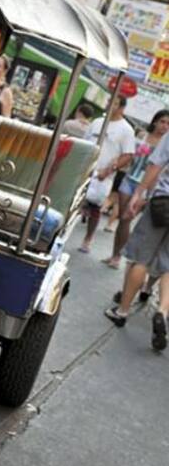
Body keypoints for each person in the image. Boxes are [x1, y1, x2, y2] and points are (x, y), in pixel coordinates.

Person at [105, 131, 169, 352]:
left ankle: (122, 312)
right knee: (168, 263)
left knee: (140, 259)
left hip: (164, 201)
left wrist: (138, 193)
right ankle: (162, 311)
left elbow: (155, 165)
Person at [102, 110, 169, 268]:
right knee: (123, 219)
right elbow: (129, 155)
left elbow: (158, 168)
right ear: (155, 122)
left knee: (127, 218)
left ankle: (123, 257)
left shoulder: (166, 142)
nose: (164, 126)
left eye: (168, 123)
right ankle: (115, 254)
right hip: (130, 179)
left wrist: (146, 192)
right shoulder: (142, 137)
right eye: (162, 122)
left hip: (150, 186)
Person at [79, 96, 136, 253]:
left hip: (103, 174)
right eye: (109, 102)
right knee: (75, 201)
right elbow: (84, 143)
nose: (110, 105)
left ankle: (88, 238)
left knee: (95, 207)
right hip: (85, 169)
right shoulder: (97, 122)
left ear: (121, 108)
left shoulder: (126, 129)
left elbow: (128, 155)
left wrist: (110, 169)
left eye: (115, 103)